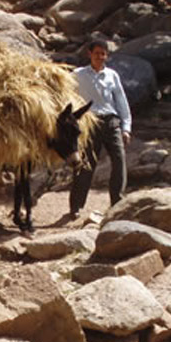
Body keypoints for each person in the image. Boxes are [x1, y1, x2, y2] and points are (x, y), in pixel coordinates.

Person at [69, 39, 133, 216]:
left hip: (111, 122)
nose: (100, 57)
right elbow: (68, 97)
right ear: (90, 54)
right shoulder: (78, 74)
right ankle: (76, 207)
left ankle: (117, 203)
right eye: (97, 53)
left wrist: (126, 127)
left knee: (119, 160)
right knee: (86, 165)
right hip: (90, 122)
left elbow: (121, 102)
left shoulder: (112, 75)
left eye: (103, 54)